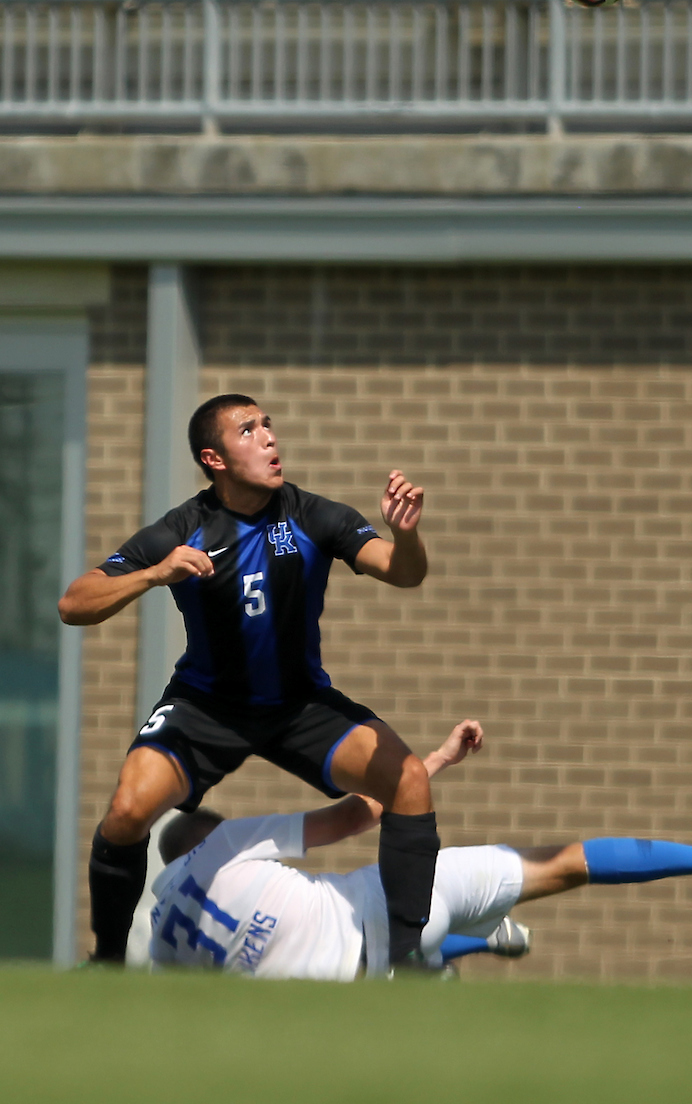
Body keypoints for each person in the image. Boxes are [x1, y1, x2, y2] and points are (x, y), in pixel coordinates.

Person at [59, 393, 442, 971]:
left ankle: (409, 962)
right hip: (206, 707)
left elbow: (404, 572)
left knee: (409, 779)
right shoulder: (183, 528)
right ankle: (108, 964)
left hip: (299, 706)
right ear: (214, 459)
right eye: (248, 430)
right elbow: (73, 603)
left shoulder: (314, 515)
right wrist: (155, 573)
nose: (268, 438)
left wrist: (406, 535)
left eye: (268, 425)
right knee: (127, 811)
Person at [149, 740, 692, 978]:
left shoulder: (159, 933)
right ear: (206, 835)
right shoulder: (224, 845)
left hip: (357, 990)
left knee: (420, 960)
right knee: (564, 865)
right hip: (396, 898)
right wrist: (434, 764)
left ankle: (478, 944)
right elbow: (353, 815)